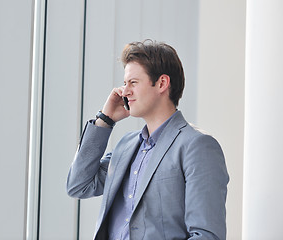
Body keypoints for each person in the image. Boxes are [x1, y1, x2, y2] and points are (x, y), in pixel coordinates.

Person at [66, 39, 229, 240]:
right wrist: (104, 121)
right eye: (125, 83)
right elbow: (79, 185)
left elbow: (206, 235)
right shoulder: (126, 146)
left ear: (162, 83)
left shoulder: (197, 146)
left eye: (133, 82)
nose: (124, 91)